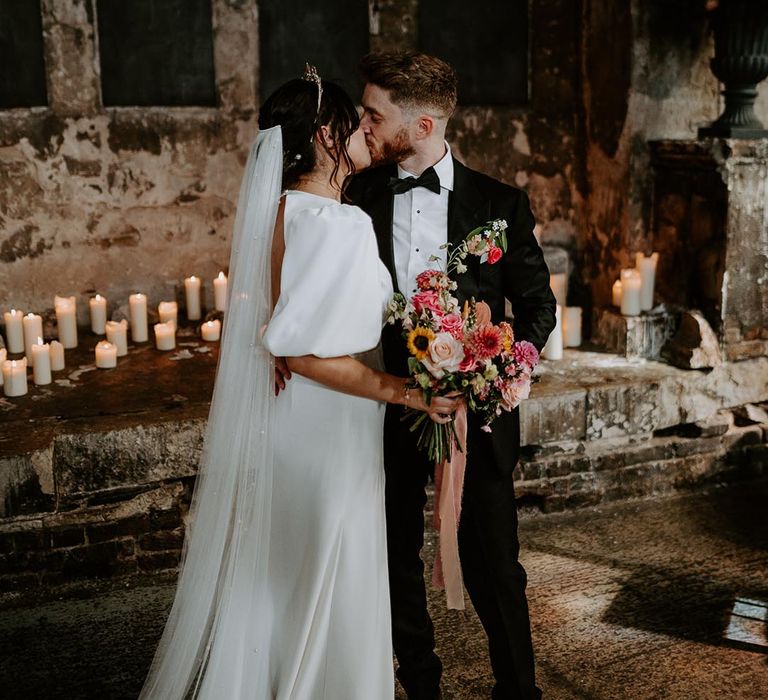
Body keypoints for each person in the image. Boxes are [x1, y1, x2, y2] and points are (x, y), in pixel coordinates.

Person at [139, 68, 460, 699]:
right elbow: (310, 356)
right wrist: (410, 392)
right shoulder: (340, 223)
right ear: (325, 135)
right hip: (329, 427)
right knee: (328, 568)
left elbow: (284, 331)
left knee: (286, 572)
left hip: (290, 423)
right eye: (357, 122)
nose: (369, 131)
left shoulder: (282, 210)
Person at [346, 52, 557, 700]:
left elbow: (538, 308)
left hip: (477, 420)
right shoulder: (358, 195)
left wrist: (498, 374)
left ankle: (519, 692)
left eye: (374, 114)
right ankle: (422, 686)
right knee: (393, 558)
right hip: (382, 407)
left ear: (425, 123)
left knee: (497, 565)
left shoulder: (499, 203)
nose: (364, 125)